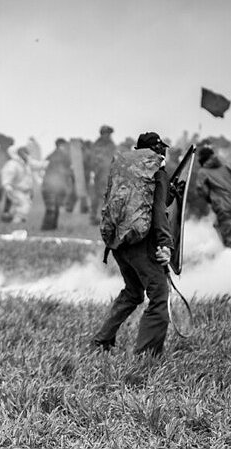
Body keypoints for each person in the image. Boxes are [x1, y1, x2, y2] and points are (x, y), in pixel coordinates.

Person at [91, 131, 177, 356]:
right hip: (142, 245)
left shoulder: (125, 170)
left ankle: (102, 340)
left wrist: (168, 194)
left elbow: (138, 202)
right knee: (159, 297)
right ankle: (147, 355)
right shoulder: (157, 173)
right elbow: (157, 212)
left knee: (133, 292)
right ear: (158, 150)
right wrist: (165, 244)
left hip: (119, 242)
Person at [195, 145, 231, 249]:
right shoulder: (226, 166)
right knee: (218, 225)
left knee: (230, 237)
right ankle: (226, 249)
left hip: (224, 205)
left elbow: (201, 189)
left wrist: (210, 199)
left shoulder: (203, 171)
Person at [41, 138, 75, 231]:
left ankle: (52, 228)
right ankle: (46, 228)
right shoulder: (58, 156)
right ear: (60, 145)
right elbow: (64, 171)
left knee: (55, 208)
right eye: (64, 145)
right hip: (50, 186)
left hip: (55, 186)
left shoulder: (56, 156)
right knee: (51, 209)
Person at [1, 146, 42, 223]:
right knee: (24, 206)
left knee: (21, 206)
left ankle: (9, 219)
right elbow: (7, 175)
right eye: (25, 153)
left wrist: (50, 163)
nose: (27, 155)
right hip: (16, 189)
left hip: (26, 190)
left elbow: (39, 165)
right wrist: (7, 186)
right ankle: (16, 222)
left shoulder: (27, 163)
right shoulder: (13, 164)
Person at [89, 125, 117, 225]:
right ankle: (95, 218)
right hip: (100, 174)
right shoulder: (98, 145)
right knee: (99, 196)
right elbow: (94, 160)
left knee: (106, 196)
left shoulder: (111, 144)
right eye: (107, 134)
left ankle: (103, 218)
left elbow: (114, 158)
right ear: (103, 134)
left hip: (108, 174)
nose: (109, 136)